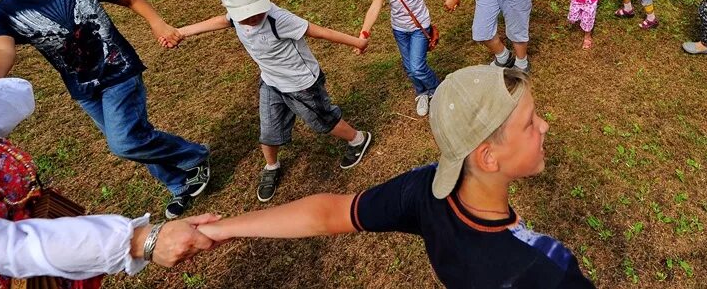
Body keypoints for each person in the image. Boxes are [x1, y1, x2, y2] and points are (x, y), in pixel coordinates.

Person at [193, 65, 593, 288]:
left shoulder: (426, 190)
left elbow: (333, 212)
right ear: (488, 157)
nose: (543, 127)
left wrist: (225, 228)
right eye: (529, 123)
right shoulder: (547, 269)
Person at [0, 0, 211, 219]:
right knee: (135, 140)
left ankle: (194, 156)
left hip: (119, 71)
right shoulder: (1, 13)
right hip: (83, 88)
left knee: (125, 142)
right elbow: (3, 49)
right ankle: (179, 183)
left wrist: (158, 23)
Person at [0, 78, 221, 282]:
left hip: (50, 245)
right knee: (127, 141)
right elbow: (5, 246)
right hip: (31, 258)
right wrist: (138, 241)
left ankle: (187, 166)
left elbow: (15, 95)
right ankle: (185, 169)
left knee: (128, 140)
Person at [174, 0, 371, 202]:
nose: (253, 18)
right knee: (268, 129)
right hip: (271, 82)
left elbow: (317, 31)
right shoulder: (236, 17)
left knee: (323, 121)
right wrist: (182, 32)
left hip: (302, 84)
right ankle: (271, 166)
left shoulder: (279, 19)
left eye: (257, 11)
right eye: (246, 16)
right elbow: (219, 21)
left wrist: (357, 42)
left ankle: (358, 139)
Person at [359, 0, 449, 117]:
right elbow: (375, 6)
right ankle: (422, 93)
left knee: (417, 66)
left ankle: (439, 90)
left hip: (419, 28)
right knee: (409, 67)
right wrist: (365, 31)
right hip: (399, 29)